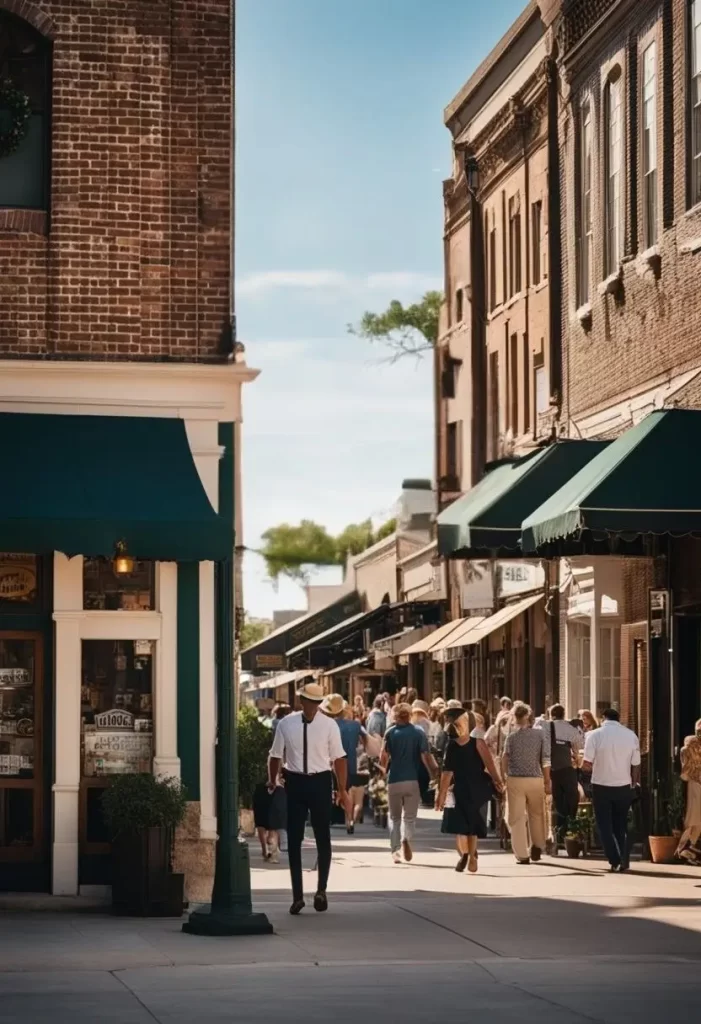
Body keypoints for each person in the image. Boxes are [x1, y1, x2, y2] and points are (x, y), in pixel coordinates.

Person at [268, 680, 349, 915]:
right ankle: (297, 896)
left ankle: (321, 890)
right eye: (309, 702)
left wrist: (342, 789)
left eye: (316, 703)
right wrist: (273, 780)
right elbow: (275, 755)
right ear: (301, 701)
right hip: (295, 782)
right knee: (294, 840)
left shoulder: (329, 726)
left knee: (323, 836)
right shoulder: (287, 723)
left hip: (320, 781)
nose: (312, 707)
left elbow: (339, 759)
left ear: (319, 703)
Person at [436, 708, 503, 872]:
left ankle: (464, 854)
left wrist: (442, 794)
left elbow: (447, 773)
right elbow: (489, 764)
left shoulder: (451, 746)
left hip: (460, 789)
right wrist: (497, 781)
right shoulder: (478, 742)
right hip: (478, 788)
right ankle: (472, 857)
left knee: (460, 828)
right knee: (473, 826)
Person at [582, 708, 640, 873]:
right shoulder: (630, 736)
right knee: (620, 825)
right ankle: (622, 859)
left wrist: (581, 769)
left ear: (602, 718)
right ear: (618, 718)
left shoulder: (594, 735)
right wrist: (633, 785)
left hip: (601, 786)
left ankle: (614, 859)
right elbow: (636, 764)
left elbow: (587, 764)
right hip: (623, 786)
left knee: (604, 826)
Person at [380, 702, 438, 864]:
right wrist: (434, 773)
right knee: (410, 818)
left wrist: (382, 772)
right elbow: (426, 757)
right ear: (410, 715)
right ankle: (407, 838)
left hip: (394, 780)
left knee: (394, 818)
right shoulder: (418, 732)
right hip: (412, 780)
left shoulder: (390, 732)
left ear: (395, 716)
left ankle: (395, 850)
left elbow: (383, 757)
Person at [502, 703, 551, 864]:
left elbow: (505, 758)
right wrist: (547, 780)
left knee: (516, 817)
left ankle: (522, 854)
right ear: (528, 716)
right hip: (535, 778)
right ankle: (537, 845)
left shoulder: (511, 737)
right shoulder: (540, 735)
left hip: (516, 779)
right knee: (536, 814)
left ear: (514, 718)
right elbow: (545, 759)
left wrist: (505, 776)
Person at [322, 694, 367, 833]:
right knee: (347, 792)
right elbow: (366, 741)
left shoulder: (327, 725)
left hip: (331, 764)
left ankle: (326, 818)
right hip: (351, 763)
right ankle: (350, 820)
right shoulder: (356, 725)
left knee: (330, 792)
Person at [540, 703, 583, 852]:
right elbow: (578, 744)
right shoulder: (569, 727)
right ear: (564, 714)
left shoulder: (545, 727)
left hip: (551, 770)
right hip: (567, 769)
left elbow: (543, 748)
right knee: (572, 799)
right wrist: (576, 756)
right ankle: (571, 830)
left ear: (551, 714)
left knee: (557, 802)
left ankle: (558, 833)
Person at [677, 719, 701, 863]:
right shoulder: (691, 744)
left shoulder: (688, 744)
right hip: (696, 782)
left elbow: (685, 771)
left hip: (694, 781)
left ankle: (689, 846)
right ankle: (688, 846)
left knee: (694, 816)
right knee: (695, 816)